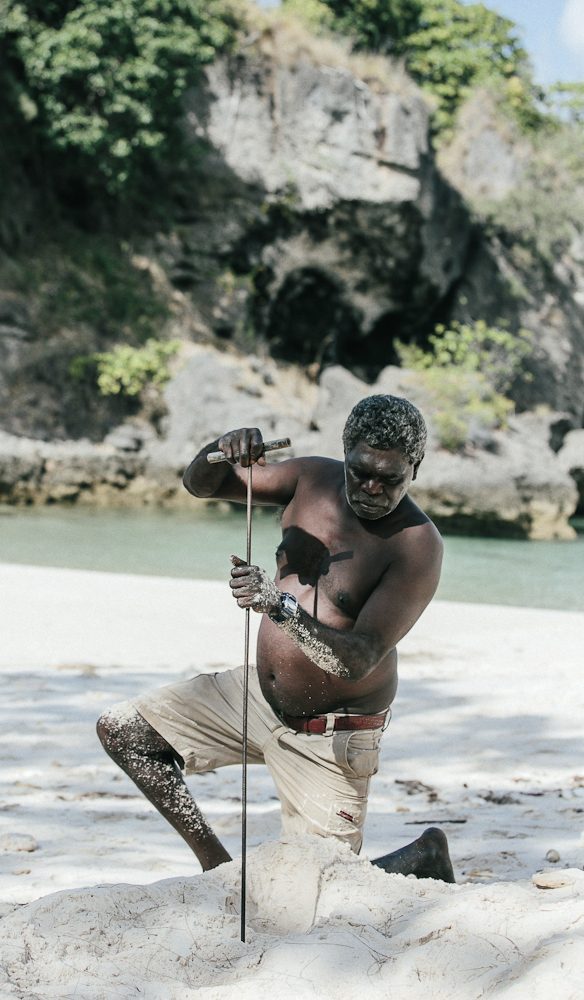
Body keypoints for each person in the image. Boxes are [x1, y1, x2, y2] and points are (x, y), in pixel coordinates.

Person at [97, 394, 455, 881]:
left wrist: (277, 606)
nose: (372, 488)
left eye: (389, 478)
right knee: (124, 731)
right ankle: (215, 867)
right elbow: (202, 484)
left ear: (415, 468)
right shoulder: (312, 478)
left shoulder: (417, 544)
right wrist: (221, 449)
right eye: (360, 471)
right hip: (258, 698)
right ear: (344, 452)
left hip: (331, 732)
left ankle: (423, 859)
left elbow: (358, 659)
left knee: (320, 894)